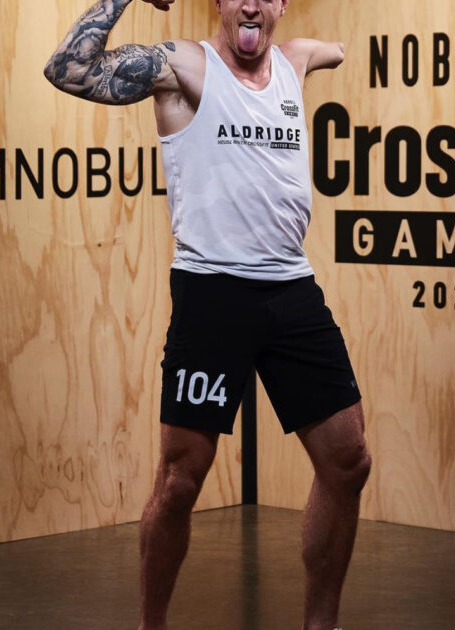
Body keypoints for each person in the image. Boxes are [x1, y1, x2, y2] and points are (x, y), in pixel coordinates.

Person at [45, 1, 372, 629]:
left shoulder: (295, 61)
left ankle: (321, 625)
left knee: (348, 461)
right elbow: (68, 69)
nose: (251, 3)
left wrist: (328, 51)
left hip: (291, 290)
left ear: (280, 4)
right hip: (212, 293)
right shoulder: (184, 67)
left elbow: (329, 51)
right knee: (180, 481)